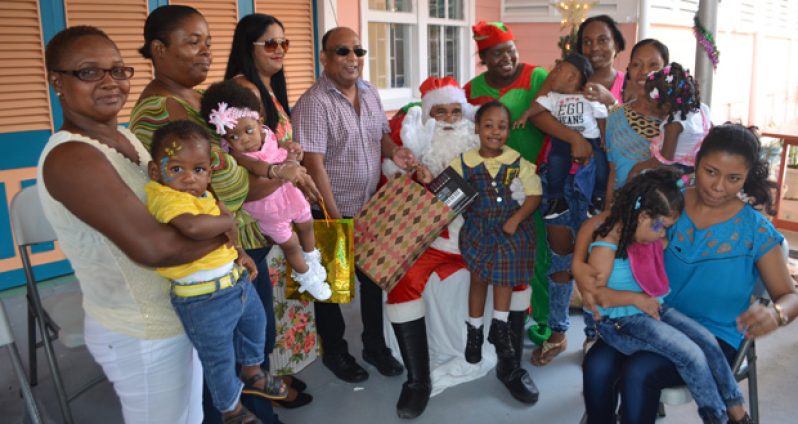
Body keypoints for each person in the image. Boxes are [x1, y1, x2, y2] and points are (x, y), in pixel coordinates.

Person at [128, 5, 308, 423]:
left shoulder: (195, 98)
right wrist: (274, 172)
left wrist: (269, 168)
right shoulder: (161, 111)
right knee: (224, 363)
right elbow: (221, 186)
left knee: (252, 346)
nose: (206, 52)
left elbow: (234, 168)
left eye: (208, 42)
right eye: (193, 42)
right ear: (158, 49)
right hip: (213, 254)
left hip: (238, 247)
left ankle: (263, 412)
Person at [38, 26, 213, 423]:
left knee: (191, 417)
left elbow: (179, 207)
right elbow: (155, 248)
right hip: (142, 331)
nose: (110, 83)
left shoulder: (129, 138)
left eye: (118, 70)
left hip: (178, 313)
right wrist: (227, 227)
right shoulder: (72, 159)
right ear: (57, 82)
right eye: (89, 72)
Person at [576, 124, 798, 424]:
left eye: (734, 178)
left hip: (714, 337)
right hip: (650, 316)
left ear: (746, 177)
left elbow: (788, 296)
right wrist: (578, 265)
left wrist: (777, 314)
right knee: (597, 364)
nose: (719, 186)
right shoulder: (669, 201)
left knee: (638, 372)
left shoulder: (755, 229)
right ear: (697, 160)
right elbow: (609, 222)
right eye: (711, 172)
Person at [293, 26, 419, 384]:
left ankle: (374, 347)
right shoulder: (314, 103)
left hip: (369, 205)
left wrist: (396, 151)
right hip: (329, 209)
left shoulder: (370, 92)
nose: (353, 58)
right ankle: (335, 352)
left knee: (372, 281)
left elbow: (381, 136)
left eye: (358, 51)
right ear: (324, 58)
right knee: (331, 287)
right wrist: (334, 221)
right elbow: (313, 167)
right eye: (342, 51)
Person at [145, 121, 289, 423]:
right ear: (155, 172)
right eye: (176, 169)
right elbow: (194, 228)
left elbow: (223, 235)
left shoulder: (204, 196)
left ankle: (252, 372)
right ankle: (231, 410)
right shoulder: (165, 198)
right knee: (219, 358)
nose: (188, 179)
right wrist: (229, 221)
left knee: (257, 324)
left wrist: (241, 253)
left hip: (234, 283)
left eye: (198, 170)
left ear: (209, 173)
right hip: (202, 300)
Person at [587, 168, 750, 423]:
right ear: (642, 216)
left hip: (651, 311)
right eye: (660, 226)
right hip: (622, 323)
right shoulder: (606, 247)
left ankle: (736, 407)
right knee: (691, 353)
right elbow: (597, 297)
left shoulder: (641, 236)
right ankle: (717, 417)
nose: (663, 235)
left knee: (707, 341)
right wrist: (636, 299)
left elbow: (660, 247)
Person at [224, 12, 317, 409]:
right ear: (249, 48)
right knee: (261, 313)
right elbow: (239, 165)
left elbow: (274, 148)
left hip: (279, 203)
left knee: (276, 303)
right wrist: (285, 170)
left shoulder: (268, 87)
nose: (280, 51)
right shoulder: (242, 90)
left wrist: (291, 156)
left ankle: (275, 372)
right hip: (256, 216)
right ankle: (262, 388)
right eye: (270, 43)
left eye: (285, 43)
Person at [380, 76, 484, 418]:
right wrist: (411, 172)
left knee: (513, 271)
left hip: (475, 238)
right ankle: (418, 380)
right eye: (441, 112)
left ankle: (511, 364)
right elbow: (394, 192)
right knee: (402, 280)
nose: (451, 121)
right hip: (429, 241)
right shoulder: (413, 154)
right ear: (428, 117)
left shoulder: (484, 147)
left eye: (457, 112)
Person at [464, 21, 549, 378]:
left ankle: (538, 320)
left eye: (511, 49)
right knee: (489, 270)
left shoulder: (536, 76)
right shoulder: (472, 89)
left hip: (532, 176)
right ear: (483, 57)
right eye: (497, 52)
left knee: (538, 257)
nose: (507, 57)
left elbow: (553, 110)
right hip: (487, 189)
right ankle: (487, 331)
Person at [201, 80, 331, 300]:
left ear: (259, 120)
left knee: (307, 223)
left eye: (248, 131)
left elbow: (279, 150)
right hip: (267, 207)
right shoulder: (236, 154)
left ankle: (311, 258)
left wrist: (291, 150)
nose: (243, 140)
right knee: (290, 244)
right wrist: (279, 170)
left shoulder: (267, 134)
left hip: (288, 193)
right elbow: (258, 166)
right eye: (233, 136)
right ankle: (307, 277)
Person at [453, 100, 542, 406]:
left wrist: (516, 220)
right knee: (479, 277)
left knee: (504, 272)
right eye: (488, 125)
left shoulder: (516, 161)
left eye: (502, 126)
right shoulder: (463, 161)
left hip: (509, 227)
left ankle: (499, 328)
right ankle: (475, 331)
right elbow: (446, 196)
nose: (495, 132)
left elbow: (534, 194)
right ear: (477, 128)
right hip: (478, 227)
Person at [515, 53, 608, 219]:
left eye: (558, 70)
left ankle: (599, 197)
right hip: (563, 138)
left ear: (572, 77)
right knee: (555, 161)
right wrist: (525, 115)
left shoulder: (588, 96)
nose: (553, 75)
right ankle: (557, 199)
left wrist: (603, 136)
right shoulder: (553, 98)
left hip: (591, 137)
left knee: (602, 164)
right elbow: (538, 106)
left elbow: (601, 115)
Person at [627, 63, 710, 177]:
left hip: (677, 170)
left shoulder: (674, 124)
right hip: (694, 166)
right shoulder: (702, 109)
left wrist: (639, 167)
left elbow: (665, 160)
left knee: (635, 172)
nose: (647, 104)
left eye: (650, 101)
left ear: (666, 105)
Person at [577, 15, 627, 106]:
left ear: (616, 45)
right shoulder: (571, 81)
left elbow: (634, 120)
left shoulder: (627, 85)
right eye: (587, 42)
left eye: (602, 40)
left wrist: (612, 103)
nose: (594, 48)